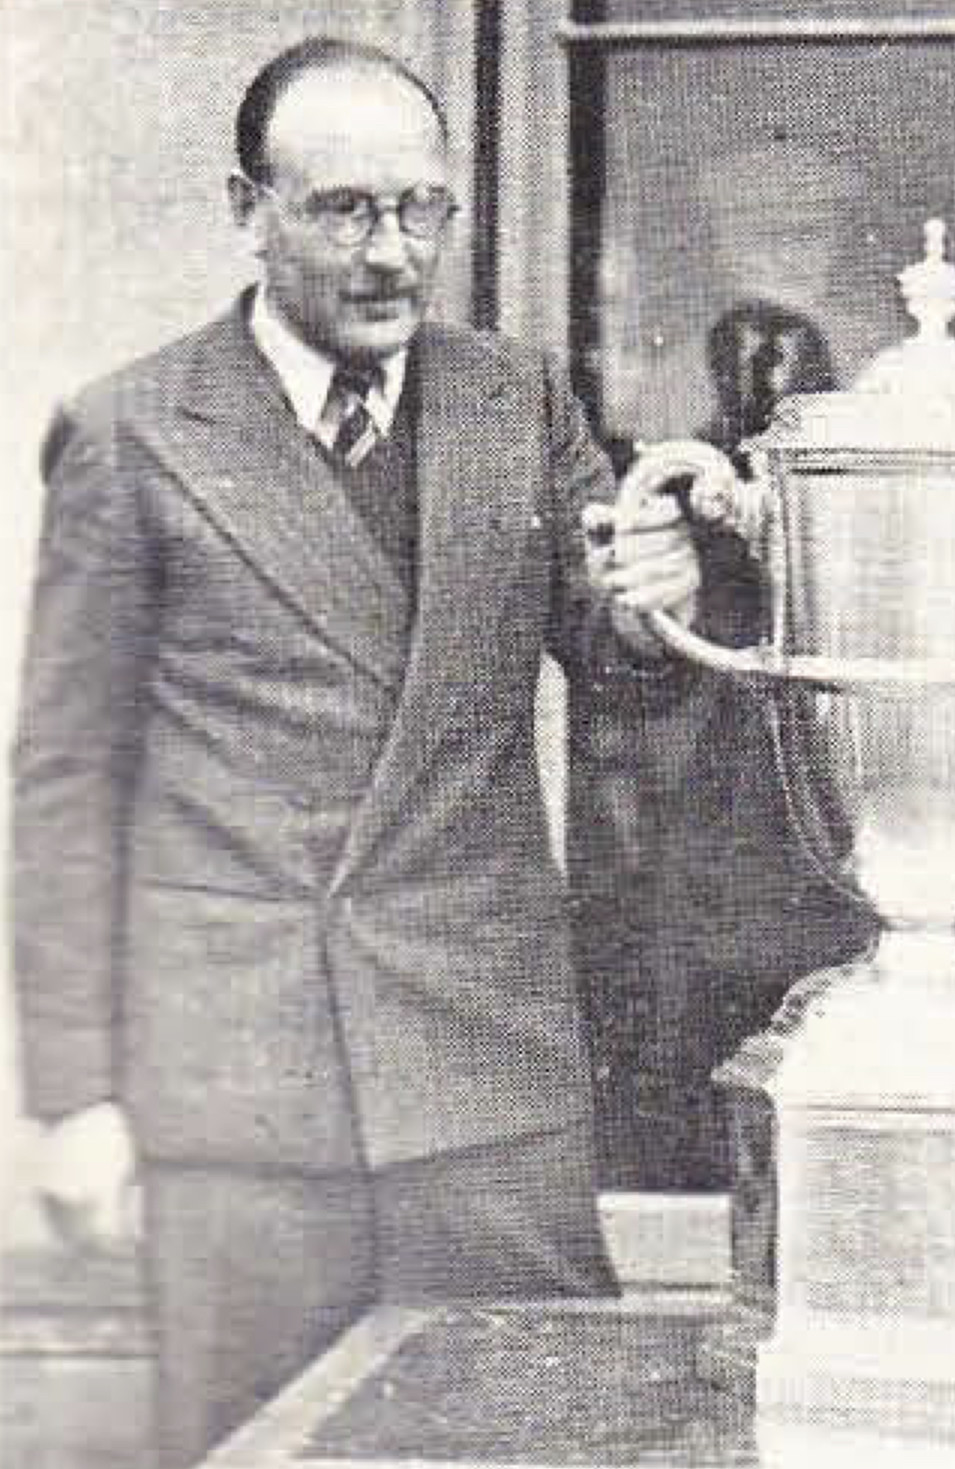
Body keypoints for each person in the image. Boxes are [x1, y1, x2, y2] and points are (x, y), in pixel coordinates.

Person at [10, 38, 698, 1466]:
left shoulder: (522, 402)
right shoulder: (133, 434)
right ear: (246, 209)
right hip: (246, 1104)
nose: (392, 254)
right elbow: (67, 786)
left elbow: (625, 684)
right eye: (343, 211)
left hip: (483, 1079)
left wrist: (656, 614)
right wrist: (74, 1097)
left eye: (422, 210)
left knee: (541, 1442)